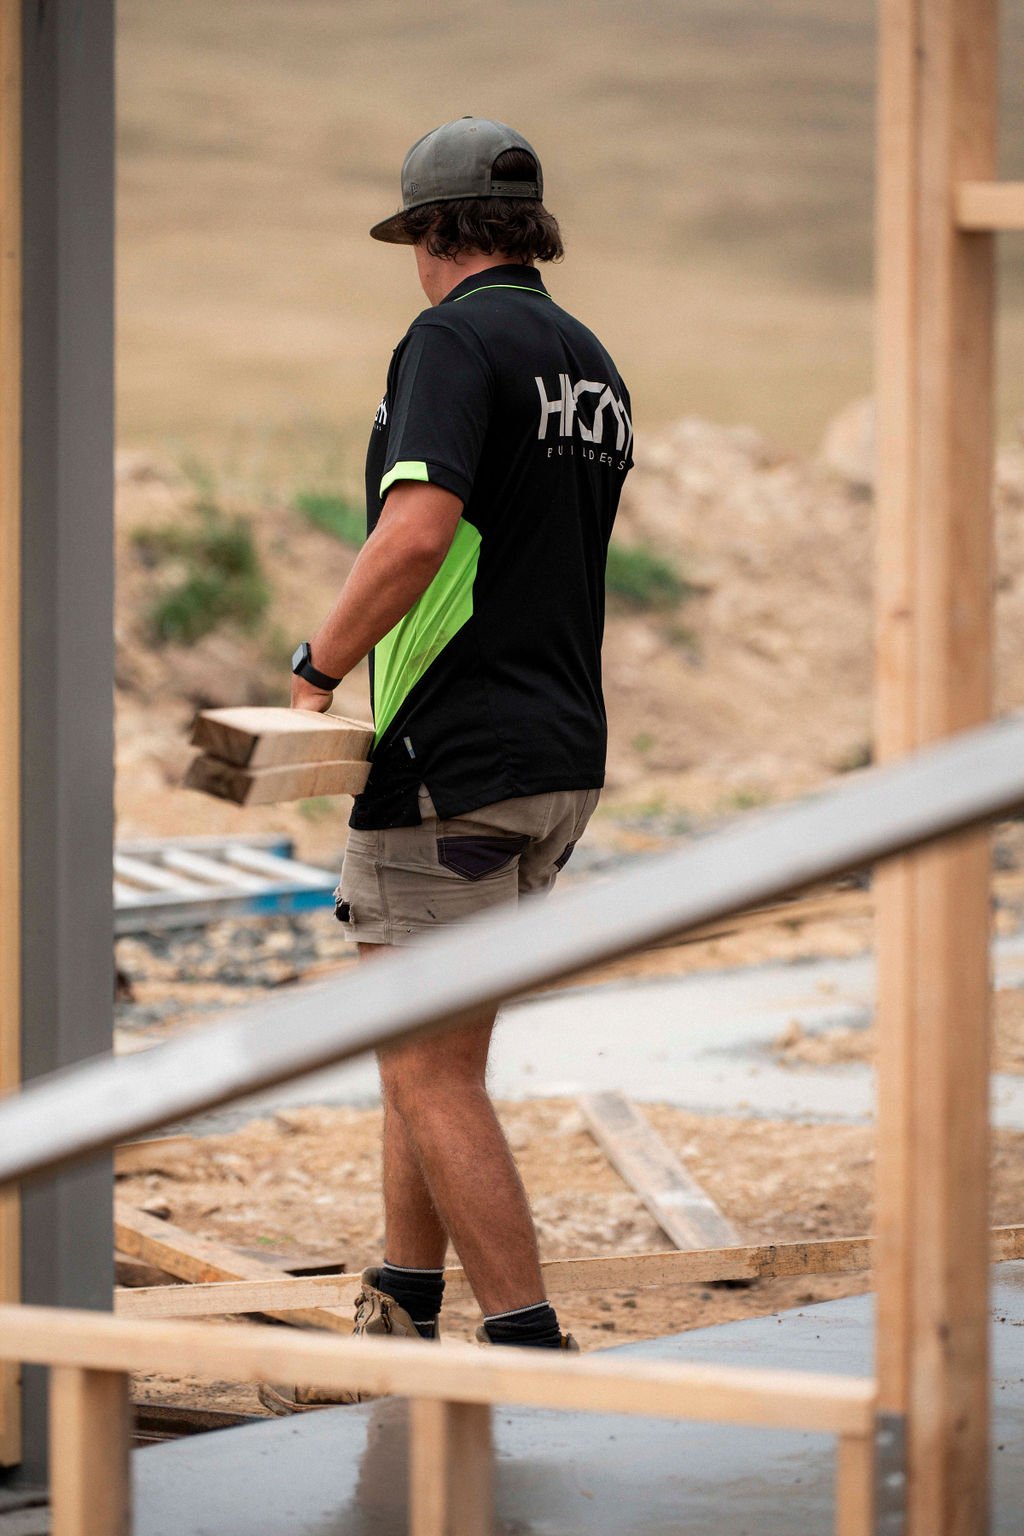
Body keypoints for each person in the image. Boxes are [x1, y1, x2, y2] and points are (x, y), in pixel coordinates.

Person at [263, 116, 632, 1412]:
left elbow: (417, 533)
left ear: (429, 232)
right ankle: (400, 1312)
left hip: (451, 752)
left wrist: (315, 667)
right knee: (420, 1044)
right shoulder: (588, 364)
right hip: (557, 756)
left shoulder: (450, 341)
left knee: (431, 1068)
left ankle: (530, 1355)